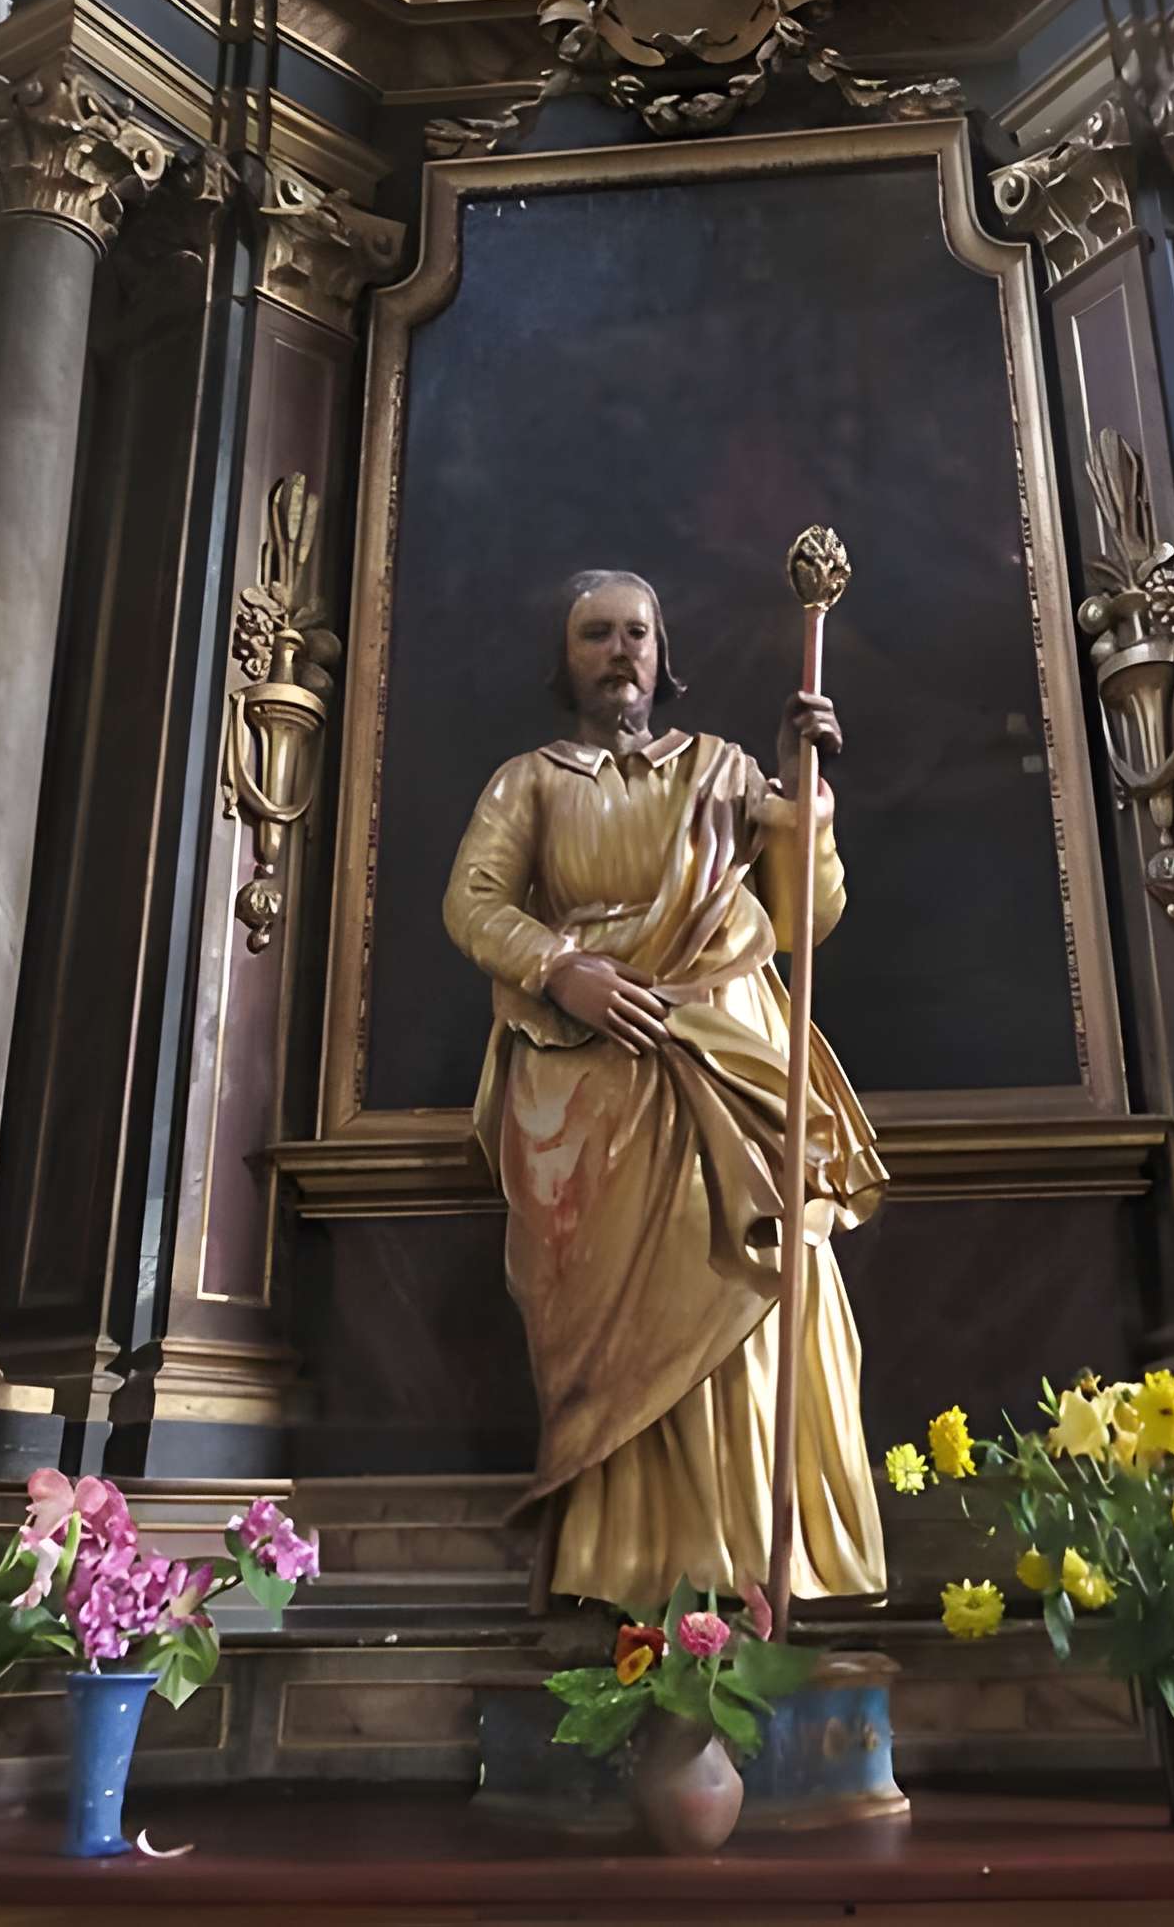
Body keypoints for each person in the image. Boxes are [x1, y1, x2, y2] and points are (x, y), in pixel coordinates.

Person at [443, 567, 886, 1615]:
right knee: (630, 1318)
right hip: (595, 1081)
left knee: (766, 1283)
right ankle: (634, 1570)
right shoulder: (530, 782)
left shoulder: (725, 770)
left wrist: (802, 801)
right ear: (566, 661)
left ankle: (770, 1568)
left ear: (661, 652)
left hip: (732, 1060)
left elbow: (799, 922)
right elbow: (472, 902)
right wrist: (562, 968)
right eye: (595, 633)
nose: (619, 649)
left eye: (636, 631)